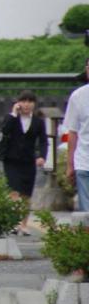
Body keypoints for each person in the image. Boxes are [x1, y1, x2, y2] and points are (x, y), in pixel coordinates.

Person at [0, 91, 46, 230]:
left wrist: (42, 156)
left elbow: (43, 141)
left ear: (34, 104)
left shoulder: (38, 122)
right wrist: (13, 113)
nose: (27, 104)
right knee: (13, 191)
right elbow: (5, 130)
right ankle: (15, 222)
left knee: (26, 195)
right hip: (11, 161)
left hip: (28, 162)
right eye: (24, 101)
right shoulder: (11, 118)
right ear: (18, 102)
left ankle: (23, 224)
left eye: (30, 101)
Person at [63, 79, 89, 211]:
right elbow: (72, 133)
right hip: (84, 160)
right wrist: (70, 165)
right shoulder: (77, 96)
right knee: (86, 211)